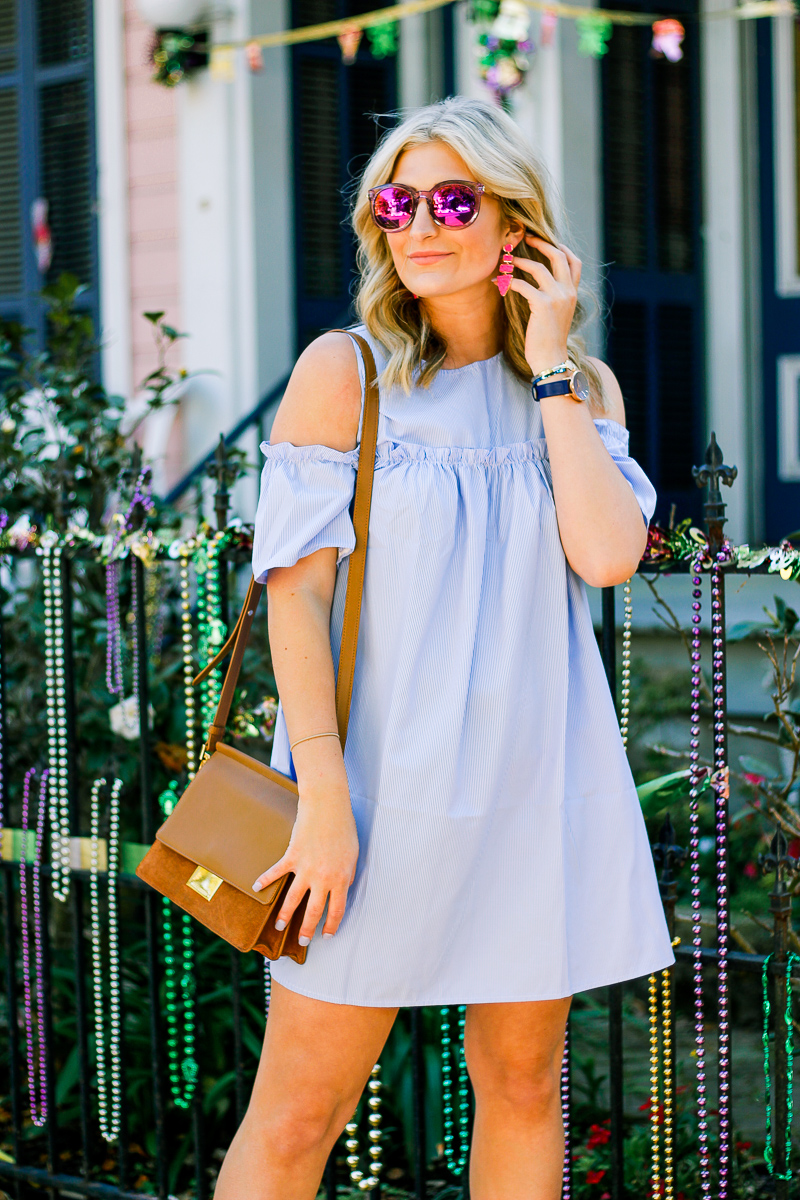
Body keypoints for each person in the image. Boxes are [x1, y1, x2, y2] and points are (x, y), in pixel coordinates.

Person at [214, 96, 674, 1200]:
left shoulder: (580, 392)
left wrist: (553, 365)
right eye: (397, 199)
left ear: (516, 228)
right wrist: (319, 795)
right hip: (370, 795)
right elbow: (294, 597)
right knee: (298, 1112)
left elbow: (607, 554)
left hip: (531, 789)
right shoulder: (346, 373)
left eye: (452, 198)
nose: (418, 222)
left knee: (520, 1090)